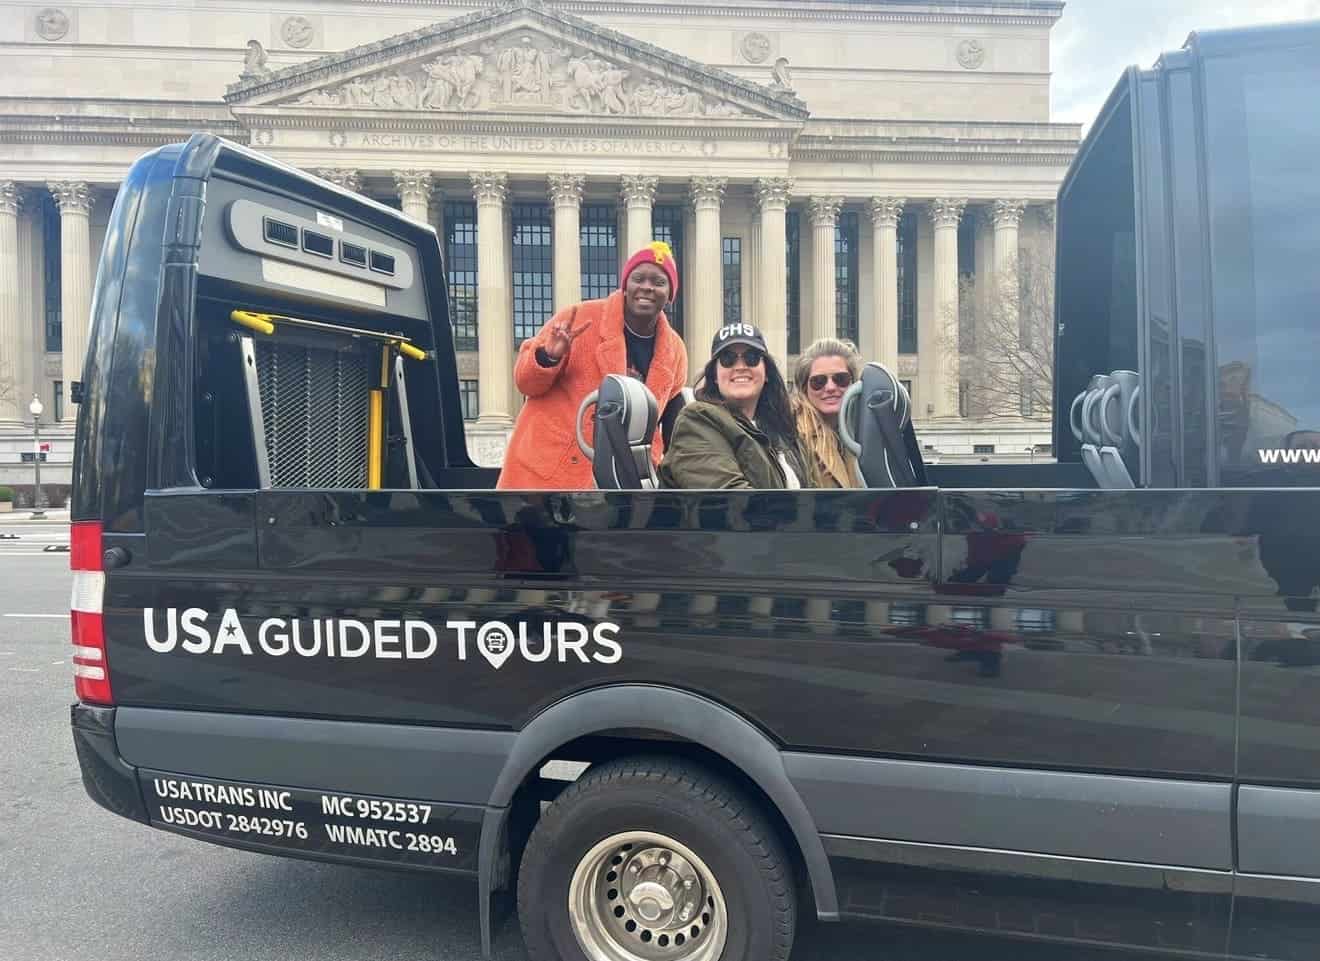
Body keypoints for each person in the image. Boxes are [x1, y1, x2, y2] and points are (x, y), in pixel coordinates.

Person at [496, 242, 688, 490]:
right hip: (546, 475)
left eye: (659, 282)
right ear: (626, 286)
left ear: (670, 293)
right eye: (638, 278)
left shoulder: (675, 350)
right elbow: (526, 383)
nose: (647, 287)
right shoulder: (578, 318)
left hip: (617, 484)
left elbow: (666, 421)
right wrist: (548, 357)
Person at [658, 322, 804, 490]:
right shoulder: (697, 421)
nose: (740, 367)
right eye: (728, 359)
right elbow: (731, 503)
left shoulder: (781, 429)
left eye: (752, 358)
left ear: (766, 373)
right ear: (714, 375)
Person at [791, 338, 863, 488]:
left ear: (853, 384)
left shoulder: (863, 434)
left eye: (840, 379)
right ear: (805, 388)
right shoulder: (793, 438)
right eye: (818, 381)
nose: (830, 387)